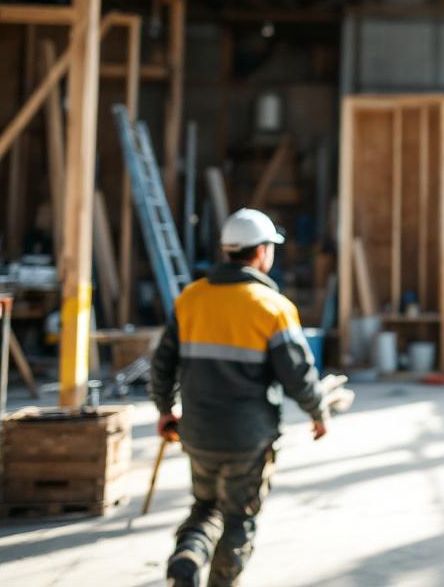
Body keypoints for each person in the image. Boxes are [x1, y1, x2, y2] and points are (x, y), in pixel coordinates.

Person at [151, 208, 353, 587]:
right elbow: (298, 376)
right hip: (248, 439)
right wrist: (318, 413)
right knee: (237, 517)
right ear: (261, 252)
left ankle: (188, 555)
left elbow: (161, 363)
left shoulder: (190, 299)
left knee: (205, 506)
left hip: (197, 434)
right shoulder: (273, 307)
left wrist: (164, 409)